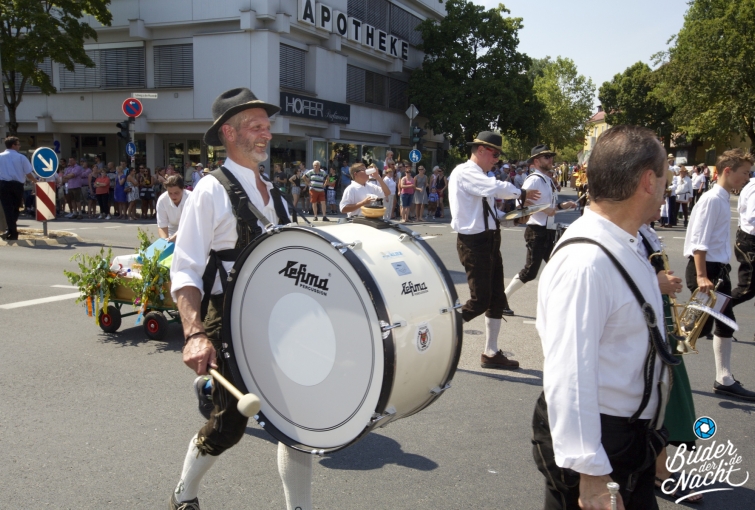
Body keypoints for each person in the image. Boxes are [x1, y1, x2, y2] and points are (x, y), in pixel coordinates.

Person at [169, 87, 309, 510]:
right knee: (229, 427)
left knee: (297, 423)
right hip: (229, 319)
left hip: (280, 320)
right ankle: (183, 495)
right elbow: (185, 268)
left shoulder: (275, 192)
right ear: (228, 133)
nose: (267, 133)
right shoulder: (209, 191)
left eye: (267, 125)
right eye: (255, 126)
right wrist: (195, 334)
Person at [532, 125, 678, 510]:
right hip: (600, 443)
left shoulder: (627, 241)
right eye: (665, 174)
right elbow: (570, 372)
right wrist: (591, 472)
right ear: (648, 181)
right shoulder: (587, 261)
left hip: (628, 437)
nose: (667, 185)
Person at [449, 132, 539, 370]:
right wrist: (521, 193)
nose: (497, 160)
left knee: (497, 299)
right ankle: (441, 331)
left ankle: (490, 352)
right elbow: (496, 188)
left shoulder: (482, 176)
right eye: (495, 154)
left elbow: (491, 215)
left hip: (489, 240)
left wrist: (515, 218)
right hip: (474, 242)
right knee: (480, 300)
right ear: (480, 150)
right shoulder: (465, 172)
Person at [637, 212, 703, 504]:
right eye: (661, 190)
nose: (665, 198)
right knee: (656, 394)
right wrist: (655, 284)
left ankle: (654, 468)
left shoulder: (642, 230)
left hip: (658, 320)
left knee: (663, 393)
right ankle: (657, 471)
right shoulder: (622, 231)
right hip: (644, 324)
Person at [684, 148, 755, 402]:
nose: (747, 178)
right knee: (690, 329)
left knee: (718, 323)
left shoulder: (722, 197)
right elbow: (699, 242)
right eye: (744, 172)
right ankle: (659, 369)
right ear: (728, 170)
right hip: (707, 270)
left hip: (716, 270)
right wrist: (702, 276)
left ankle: (724, 379)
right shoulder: (713, 199)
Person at [505, 145, 577, 303]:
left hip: (548, 230)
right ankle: (502, 299)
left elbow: (548, 207)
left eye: (551, 156)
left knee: (557, 266)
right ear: (536, 161)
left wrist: (561, 206)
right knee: (530, 272)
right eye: (547, 157)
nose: (551, 160)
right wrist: (545, 209)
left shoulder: (546, 180)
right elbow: (520, 203)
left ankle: (561, 302)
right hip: (536, 231)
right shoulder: (534, 180)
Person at [0, 136, 38, 240]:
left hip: (3, 185)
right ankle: (12, 231)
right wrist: (36, 181)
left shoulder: (0, 156)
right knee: (16, 208)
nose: (19, 146)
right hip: (17, 185)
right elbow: (28, 174)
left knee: (7, 208)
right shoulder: (21, 157)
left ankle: (11, 230)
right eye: (18, 144)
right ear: (13, 145)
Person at [731, 170, 755, 309]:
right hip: (750, 241)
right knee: (746, 288)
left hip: (748, 238)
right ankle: (712, 312)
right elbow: (753, 217)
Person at [156, 174, 189, 242]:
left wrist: (175, 237)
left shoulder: (191, 198)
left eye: (176, 193)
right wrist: (165, 242)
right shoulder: (162, 200)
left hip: (190, 231)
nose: (173, 196)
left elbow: (189, 224)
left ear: (183, 189)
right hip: (171, 232)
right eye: (170, 193)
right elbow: (162, 226)